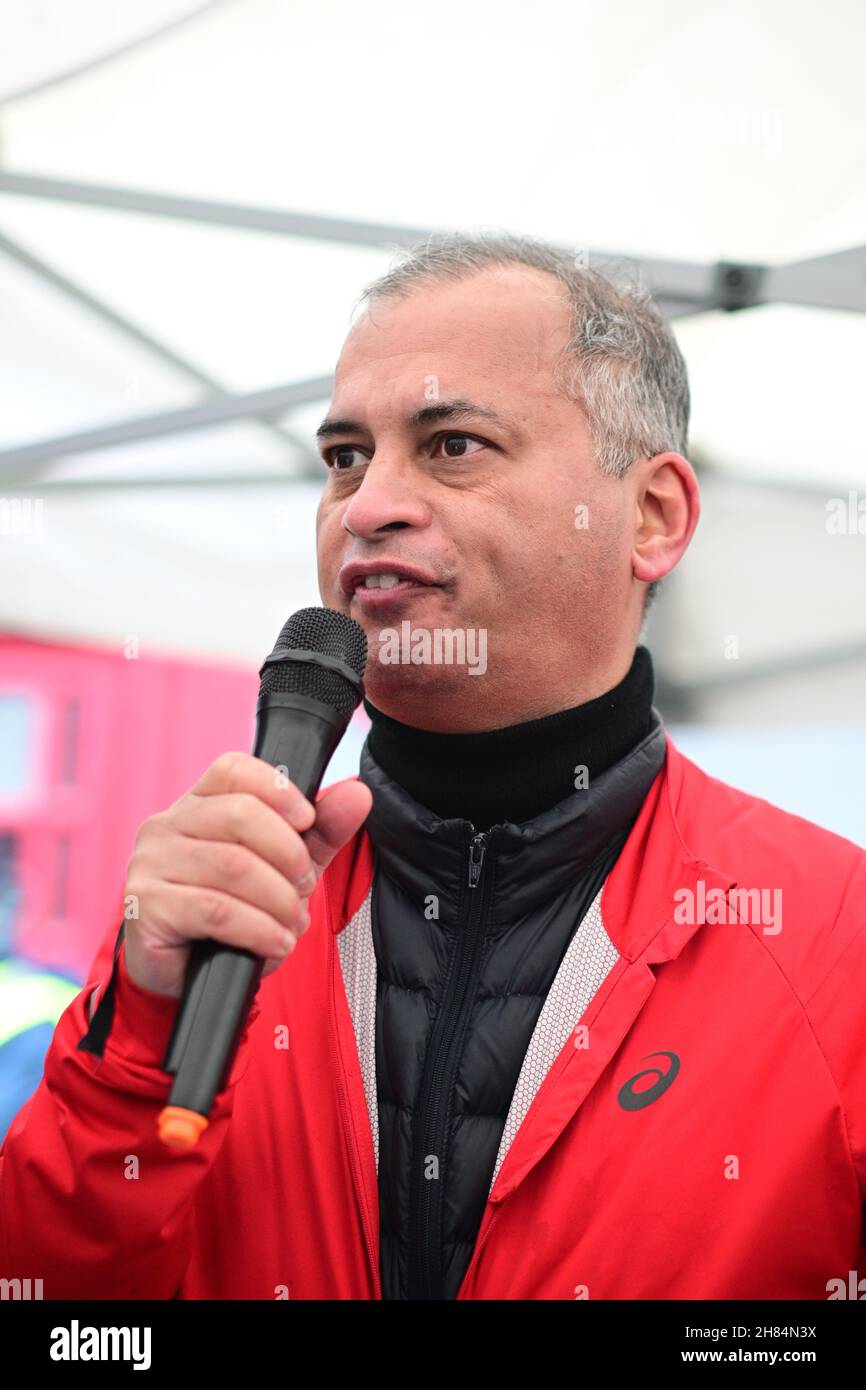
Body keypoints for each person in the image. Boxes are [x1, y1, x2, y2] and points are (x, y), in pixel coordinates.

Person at [1, 234, 864, 1300]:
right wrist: (133, 1038)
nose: (365, 506)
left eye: (451, 444)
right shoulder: (213, 915)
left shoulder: (832, 938)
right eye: (344, 456)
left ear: (651, 515)